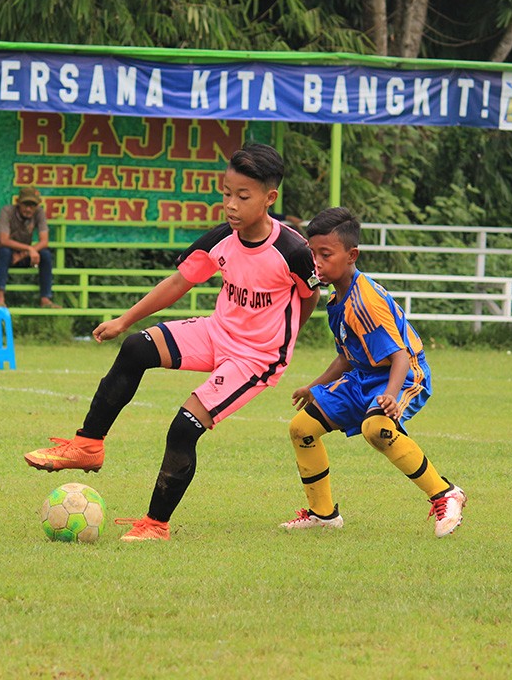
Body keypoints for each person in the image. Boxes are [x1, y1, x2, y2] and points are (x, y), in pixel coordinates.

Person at [23, 144, 321, 542]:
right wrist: (125, 319)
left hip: (256, 358)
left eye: (242, 196)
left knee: (184, 427)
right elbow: (180, 282)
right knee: (136, 347)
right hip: (217, 332)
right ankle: (88, 444)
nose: (230, 204)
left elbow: (310, 294)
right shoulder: (221, 239)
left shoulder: (294, 251)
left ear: (270, 198)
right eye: (226, 193)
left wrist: (283, 340)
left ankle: (155, 524)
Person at [281, 207, 466, 538]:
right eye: (313, 254)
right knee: (302, 427)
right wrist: (314, 387)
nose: (317, 262)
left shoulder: (364, 301)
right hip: (365, 376)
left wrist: (391, 398)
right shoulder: (338, 298)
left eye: (326, 254)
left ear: (352, 255)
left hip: (405, 374)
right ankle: (323, 514)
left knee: (377, 427)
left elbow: (399, 356)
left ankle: (445, 494)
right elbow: (347, 357)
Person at [0, 187, 60, 309]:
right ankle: (0, 299)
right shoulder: (7, 211)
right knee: (4, 252)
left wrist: (24, 253)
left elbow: (44, 241)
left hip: (22, 255)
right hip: (1, 253)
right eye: (25, 204)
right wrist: (29, 249)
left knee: (46, 255)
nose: (28, 209)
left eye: (32, 205)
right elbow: (3, 240)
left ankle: (45, 299)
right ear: (18, 203)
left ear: (36, 206)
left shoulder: (39, 212)